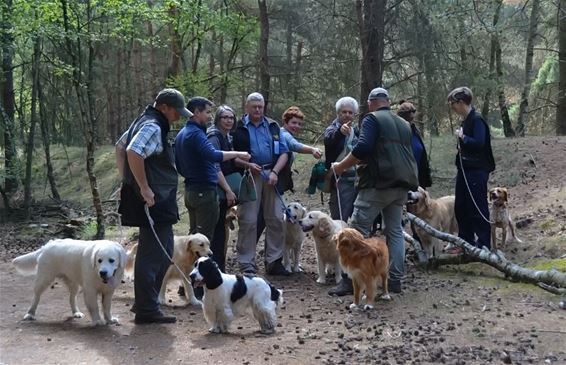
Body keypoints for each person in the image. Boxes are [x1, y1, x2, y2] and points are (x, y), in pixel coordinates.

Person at [332, 87, 418, 295]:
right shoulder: (404, 123)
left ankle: (350, 280)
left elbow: (363, 148)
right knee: (395, 231)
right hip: (402, 184)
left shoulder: (372, 119)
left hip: (378, 184)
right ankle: (395, 280)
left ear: (371, 103)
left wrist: (340, 166)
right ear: (387, 102)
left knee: (356, 229)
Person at [116, 88, 190, 324]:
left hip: (156, 198)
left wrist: (128, 181)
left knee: (163, 249)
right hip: (154, 199)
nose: (178, 117)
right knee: (153, 254)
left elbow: (120, 146)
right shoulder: (153, 125)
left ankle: (144, 303)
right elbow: (132, 150)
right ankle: (147, 309)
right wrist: (143, 187)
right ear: (164, 107)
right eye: (176, 111)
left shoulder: (144, 120)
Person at [175, 97, 250, 241]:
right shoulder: (197, 134)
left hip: (191, 190)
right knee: (204, 239)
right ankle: (205, 263)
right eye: (208, 112)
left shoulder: (182, 132)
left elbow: (178, 163)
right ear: (197, 112)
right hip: (203, 191)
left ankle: (194, 264)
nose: (210, 116)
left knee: (195, 237)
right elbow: (213, 155)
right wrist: (238, 153)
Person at [232, 92, 290, 276]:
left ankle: (274, 261)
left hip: (272, 175)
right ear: (247, 107)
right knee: (248, 219)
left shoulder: (273, 126)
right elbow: (231, 156)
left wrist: (275, 172)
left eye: (260, 107)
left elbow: (284, 152)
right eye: (254, 106)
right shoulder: (238, 127)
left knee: (275, 218)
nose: (257, 110)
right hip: (249, 176)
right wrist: (248, 165)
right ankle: (246, 262)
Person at [256, 106, 322, 242]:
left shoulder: (282, 134)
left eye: (299, 124)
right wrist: (313, 150)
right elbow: (294, 145)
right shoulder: (283, 134)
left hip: (274, 181)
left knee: (265, 217)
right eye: (293, 122)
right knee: (269, 218)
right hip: (272, 181)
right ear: (285, 122)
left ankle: (268, 253)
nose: (296, 126)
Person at [448, 86, 495, 253]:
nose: (452, 107)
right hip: (464, 170)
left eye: (453, 103)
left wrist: (463, 137)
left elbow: (479, 143)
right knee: (461, 206)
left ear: (461, 102)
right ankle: (466, 242)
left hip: (476, 170)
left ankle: (483, 245)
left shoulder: (477, 119)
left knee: (477, 206)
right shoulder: (466, 120)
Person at [324, 96, 360, 296]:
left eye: (350, 113)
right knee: (339, 221)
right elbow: (329, 141)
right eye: (343, 112)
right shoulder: (333, 129)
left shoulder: (358, 130)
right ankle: (339, 266)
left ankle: (348, 264)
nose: (346, 116)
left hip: (356, 182)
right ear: (337, 114)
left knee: (352, 222)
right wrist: (339, 132)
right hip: (339, 182)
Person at [207, 105, 245, 272]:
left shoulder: (226, 136)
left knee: (221, 231)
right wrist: (228, 190)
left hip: (224, 190)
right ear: (218, 119)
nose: (229, 120)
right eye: (225, 117)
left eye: (231, 117)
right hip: (216, 191)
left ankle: (218, 269)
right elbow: (215, 166)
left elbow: (230, 160)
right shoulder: (214, 136)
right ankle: (213, 271)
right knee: (216, 234)